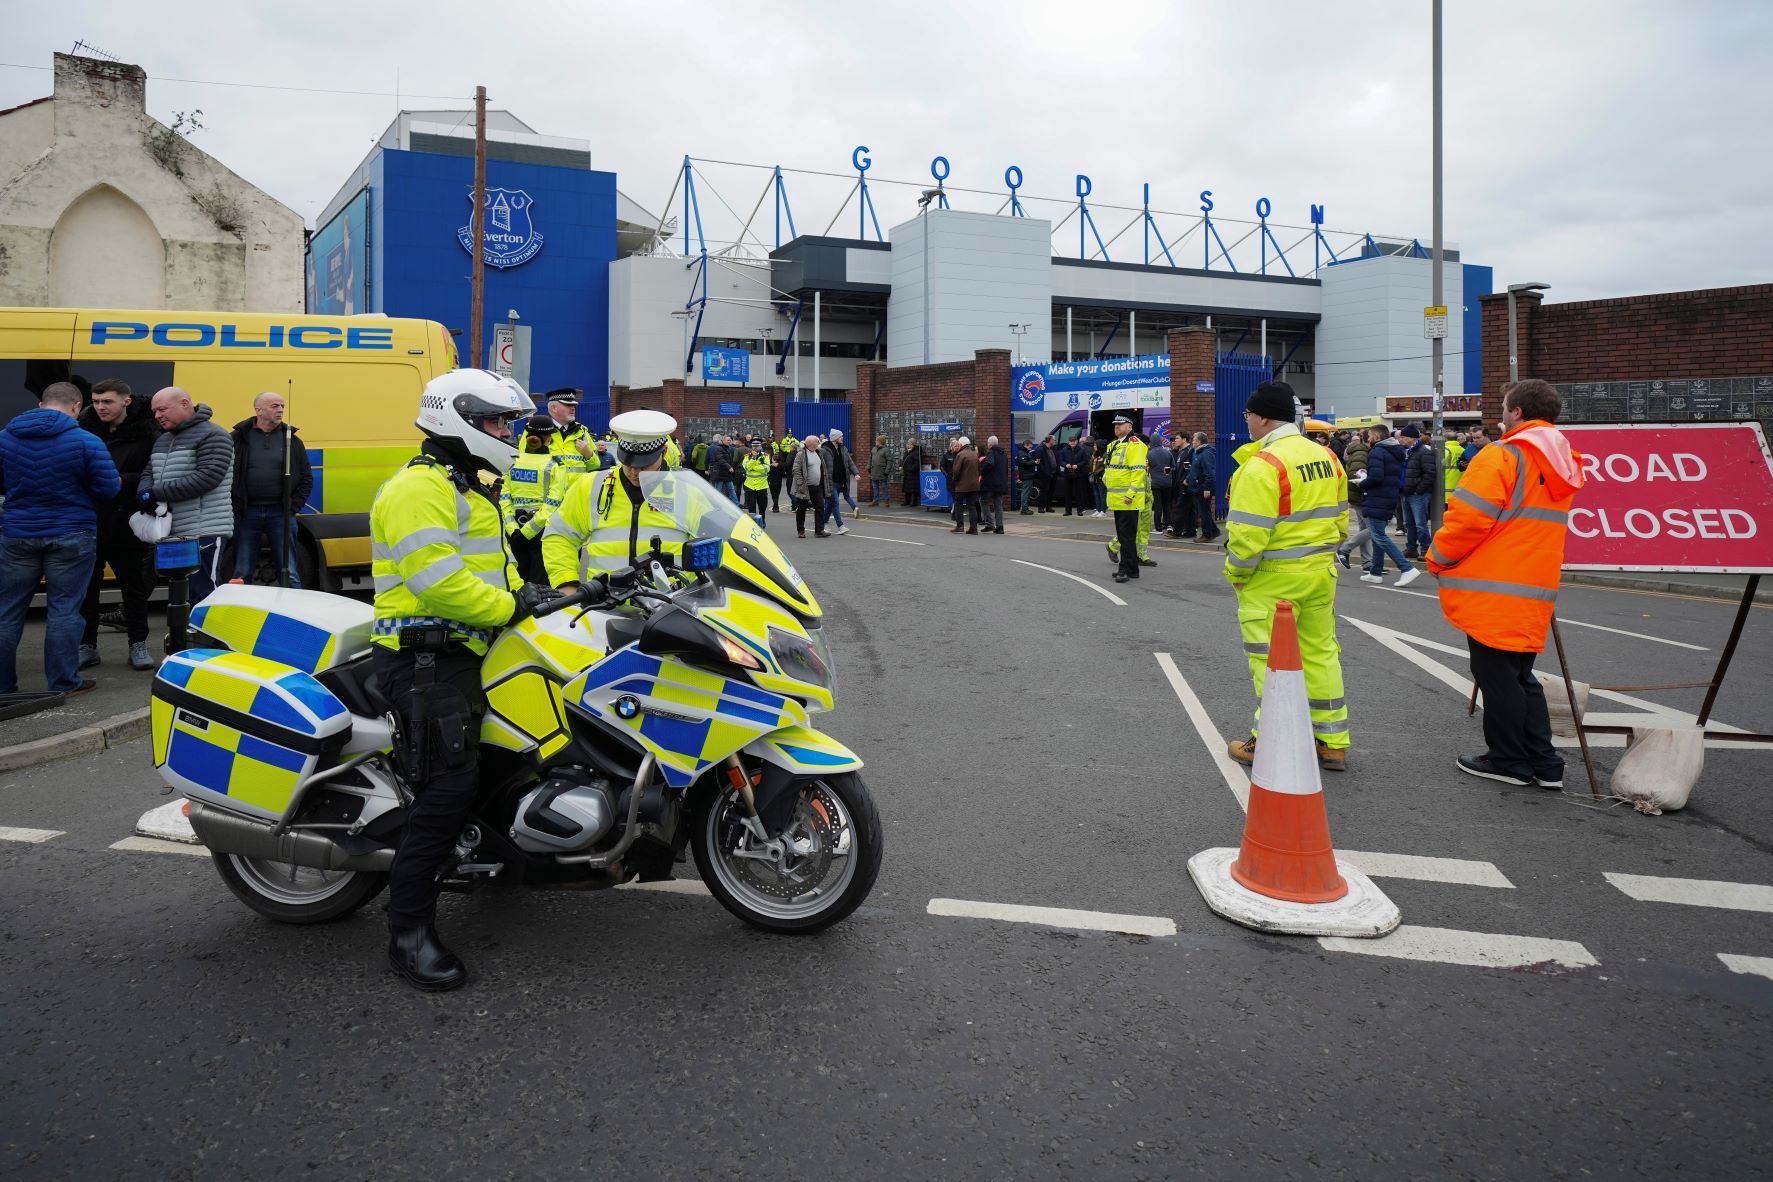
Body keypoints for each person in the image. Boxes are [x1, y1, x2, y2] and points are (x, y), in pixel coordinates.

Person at [372, 369, 538, 992]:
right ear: (456, 420)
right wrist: (510, 609)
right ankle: (407, 931)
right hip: (424, 659)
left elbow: (493, 571)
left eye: (507, 422)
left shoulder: (467, 486)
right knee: (447, 787)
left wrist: (537, 597)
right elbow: (438, 582)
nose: (506, 433)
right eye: (497, 422)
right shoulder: (419, 490)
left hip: (467, 648)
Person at [1430, 380, 1585, 789]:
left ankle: (1509, 761)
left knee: (1498, 678)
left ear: (1516, 411)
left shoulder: (1503, 456)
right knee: (1520, 677)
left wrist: (1437, 558)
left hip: (1493, 584)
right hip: (1533, 584)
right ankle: (1544, 763)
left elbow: (1467, 520)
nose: (1499, 412)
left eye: (1502, 406)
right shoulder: (1562, 458)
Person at [1222, 381, 1350, 771]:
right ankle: (1332, 742)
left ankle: (1269, 741)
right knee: (1321, 654)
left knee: (1272, 664)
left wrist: (1236, 574)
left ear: (1262, 417)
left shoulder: (1263, 465)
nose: (1246, 421)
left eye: (1247, 414)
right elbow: (1342, 517)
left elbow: (1247, 537)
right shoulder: (1326, 456)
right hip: (1319, 572)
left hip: (1272, 580)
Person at [0, 382, 119, 697]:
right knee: (64, 610)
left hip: (17, 534)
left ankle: (2, 686)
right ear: (77, 407)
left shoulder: (4, 438)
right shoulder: (87, 441)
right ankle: (64, 683)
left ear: (41, 405)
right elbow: (108, 490)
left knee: (7, 610)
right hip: (72, 533)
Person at [543, 409, 698, 586]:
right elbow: (559, 535)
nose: (634, 472)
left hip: (671, 606)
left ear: (663, 452)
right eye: (628, 463)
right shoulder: (590, 485)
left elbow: (715, 549)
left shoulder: (688, 491)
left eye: (644, 465)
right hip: (604, 607)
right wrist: (566, 584)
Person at [79, 379, 159, 672]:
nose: (100, 407)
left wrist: (119, 481)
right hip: (91, 520)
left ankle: (138, 645)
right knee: (88, 588)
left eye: (107, 402)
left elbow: (154, 474)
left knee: (133, 589)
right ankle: (87, 646)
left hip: (128, 522)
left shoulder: (148, 433)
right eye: (96, 401)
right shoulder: (84, 430)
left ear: (125, 401)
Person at [143, 387, 235, 604]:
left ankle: (209, 637)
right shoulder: (163, 439)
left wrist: (154, 492)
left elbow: (207, 478)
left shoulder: (214, 434)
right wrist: (143, 491)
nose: (157, 416)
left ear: (184, 403)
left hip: (205, 530)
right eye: (155, 411)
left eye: (162, 409)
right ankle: (185, 637)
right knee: (180, 596)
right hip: (173, 531)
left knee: (204, 592)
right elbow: (149, 471)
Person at [230, 391, 314, 588]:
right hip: (246, 513)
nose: (281, 410)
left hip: (281, 513)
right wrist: (235, 505)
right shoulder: (238, 438)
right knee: (241, 572)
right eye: (275, 406)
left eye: (282, 406)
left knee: (290, 571)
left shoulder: (291, 439)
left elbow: (306, 478)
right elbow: (225, 474)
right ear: (258, 410)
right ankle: (242, 614)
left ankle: (293, 613)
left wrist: (292, 507)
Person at [499, 415, 576, 585]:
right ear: (549, 438)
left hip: (514, 531)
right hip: (541, 531)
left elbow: (504, 498)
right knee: (540, 583)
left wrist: (514, 530)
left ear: (526, 435)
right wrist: (529, 531)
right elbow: (553, 504)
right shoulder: (555, 465)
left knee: (517, 582)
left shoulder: (512, 462)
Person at [1354, 424, 1419, 587]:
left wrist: (1361, 482)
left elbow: (1376, 477)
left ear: (1376, 436)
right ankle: (1375, 572)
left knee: (1379, 536)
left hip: (1377, 498)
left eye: (1369, 436)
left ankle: (1407, 568)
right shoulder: (1395, 450)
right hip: (1389, 496)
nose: (1367, 439)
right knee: (1378, 536)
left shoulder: (1377, 451)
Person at [1101, 415, 1148, 583]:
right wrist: (1105, 478)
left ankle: (1124, 570)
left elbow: (1138, 472)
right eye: (1115, 425)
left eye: (1120, 425)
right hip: (1117, 498)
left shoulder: (1135, 445)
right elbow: (1109, 468)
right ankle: (1133, 569)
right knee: (1123, 536)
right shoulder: (1114, 444)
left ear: (1129, 427)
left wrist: (1130, 494)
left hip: (1128, 500)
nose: (1117, 427)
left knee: (1126, 537)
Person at [1335, 423, 1373, 572]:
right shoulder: (1361, 454)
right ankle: (1345, 549)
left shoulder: (1360, 452)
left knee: (1365, 528)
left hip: (1357, 495)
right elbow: (1356, 475)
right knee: (1374, 528)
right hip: (1359, 495)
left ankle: (1367, 563)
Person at [786, 435, 832, 539]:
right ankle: (801, 530)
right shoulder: (801, 454)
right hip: (805, 487)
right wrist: (801, 484)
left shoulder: (818, 453)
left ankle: (819, 530)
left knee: (820, 507)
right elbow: (796, 470)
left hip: (817, 486)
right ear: (811, 444)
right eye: (817, 442)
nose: (819, 444)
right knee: (802, 509)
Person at [1400, 425, 1435, 559]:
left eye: (1403, 437)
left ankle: (1426, 549)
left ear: (1411, 438)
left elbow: (1430, 473)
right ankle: (1411, 548)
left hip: (1417, 493)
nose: (1401, 439)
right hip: (1407, 492)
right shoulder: (1407, 451)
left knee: (1420, 524)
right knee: (1409, 524)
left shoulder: (1423, 452)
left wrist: (1419, 490)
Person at [1184, 432, 1219, 543]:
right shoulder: (1196, 452)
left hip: (1203, 488)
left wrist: (1207, 489)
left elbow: (1210, 473)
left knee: (1204, 512)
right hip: (1197, 487)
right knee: (1202, 511)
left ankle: (1207, 535)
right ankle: (1213, 531)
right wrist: (1188, 479)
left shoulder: (1206, 454)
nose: (1192, 442)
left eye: (1194, 440)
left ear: (1199, 441)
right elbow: (1194, 469)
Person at [822, 429, 856, 531]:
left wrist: (856, 473)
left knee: (829, 504)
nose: (842, 438)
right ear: (835, 438)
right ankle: (840, 526)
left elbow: (850, 463)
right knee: (835, 502)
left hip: (840, 481)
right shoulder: (825, 449)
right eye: (840, 436)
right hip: (830, 481)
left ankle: (823, 523)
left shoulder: (843, 449)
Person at [949, 436, 982, 535]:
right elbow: (979, 469)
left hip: (962, 485)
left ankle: (960, 526)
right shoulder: (974, 454)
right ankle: (973, 528)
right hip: (974, 485)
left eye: (959, 444)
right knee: (972, 506)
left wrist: (954, 480)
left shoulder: (960, 455)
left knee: (959, 505)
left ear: (962, 444)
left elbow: (956, 471)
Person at [979, 435, 1009, 534]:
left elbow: (990, 463)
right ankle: (1000, 527)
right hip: (1001, 484)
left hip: (991, 483)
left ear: (990, 444)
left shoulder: (991, 452)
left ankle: (990, 524)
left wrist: (981, 471)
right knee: (998, 505)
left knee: (983, 501)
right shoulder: (1003, 454)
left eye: (988, 444)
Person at [1148, 435, 1175, 534]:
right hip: (1168, 483)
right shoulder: (1168, 452)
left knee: (1158, 505)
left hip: (1155, 484)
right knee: (1167, 505)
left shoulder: (1149, 454)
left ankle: (1158, 528)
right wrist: (1168, 470)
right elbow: (1174, 467)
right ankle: (1169, 525)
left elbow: (1146, 469)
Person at [741, 438, 772, 525]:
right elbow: (746, 467)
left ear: (760, 446)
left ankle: (762, 521)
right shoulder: (747, 456)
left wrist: (753, 467)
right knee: (751, 507)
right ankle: (753, 524)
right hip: (750, 486)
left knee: (762, 506)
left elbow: (766, 469)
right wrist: (754, 459)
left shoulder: (765, 456)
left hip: (762, 486)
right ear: (751, 447)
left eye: (757, 446)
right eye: (754, 446)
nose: (755, 448)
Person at [705, 432, 738, 504]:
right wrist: (729, 467)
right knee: (718, 491)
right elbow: (720, 459)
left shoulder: (731, 449)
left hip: (728, 474)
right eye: (727, 440)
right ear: (723, 441)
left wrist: (732, 467)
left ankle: (736, 505)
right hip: (720, 474)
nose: (729, 441)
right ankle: (716, 505)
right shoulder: (719, 449)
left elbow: (732, 460)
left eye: (730, 440)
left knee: (732, 491)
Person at [774, 433, 800, 511]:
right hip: (798, 475)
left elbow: (787, 464)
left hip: (791, 475)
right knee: (796, 491)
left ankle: (796, 503)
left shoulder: (790, 454)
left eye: (790, 447)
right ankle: (794, 506)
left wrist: (779, 465)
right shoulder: (799, 454)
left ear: (792, 447)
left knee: (790, 491)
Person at [869, 434, 893, 508]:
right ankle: (875, 501)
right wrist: (868, 468)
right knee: (875, 487)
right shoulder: (873, 449)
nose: (875, 442)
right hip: (874, 471)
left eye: (877, 441)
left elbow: (890, 461)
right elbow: (870, 459)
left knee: (884, 487)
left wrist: (887, 471)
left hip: (882, 472)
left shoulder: (886, 450)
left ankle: (886, 501)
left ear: (881, 442)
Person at [1442, 430, 1463, 506]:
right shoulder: (1463, 450)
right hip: (1460, 489)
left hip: (1446, 489)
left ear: (1445, 439)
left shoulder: (1444, 450)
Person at [899, 438, 922, 509]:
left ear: (913, 445)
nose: (907, 445)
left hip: (913, 473)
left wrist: (911, 469)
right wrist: (901, 466)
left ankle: (913, 502)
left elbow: (917, 463)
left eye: (909, 444)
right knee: (907, 488)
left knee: (913, 488)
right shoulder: (907, 452)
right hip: (907, 473)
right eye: (907, 444)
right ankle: (907, 501)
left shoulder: (916, 452)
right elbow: (904, 460)